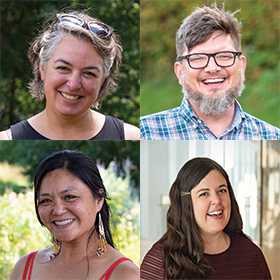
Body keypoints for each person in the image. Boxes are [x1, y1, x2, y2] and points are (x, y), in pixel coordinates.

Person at [140, 5, 280, 140]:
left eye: (224, 56)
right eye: (198, 58)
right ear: (179, 71)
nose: (212, 68)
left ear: (241, 65)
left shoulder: (272, 135)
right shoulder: (146, 132)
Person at [0, 11, 139, 140]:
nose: (73, 84)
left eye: (89, 73)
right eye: (63, 68)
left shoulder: (131, 137)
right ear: (42, 68)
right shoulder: (7, 139)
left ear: (103, 81)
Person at [10, 150, 139, 280]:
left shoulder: (125, 275)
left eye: (70, 197)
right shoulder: (24, 268)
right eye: (46, 200)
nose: (58, 210)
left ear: (99, 200)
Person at [140, 157, 271, 279]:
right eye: (204, 194)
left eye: (222, 190)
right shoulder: (159, 260)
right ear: (185, 203)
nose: (216, 200)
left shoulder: (252, 255)